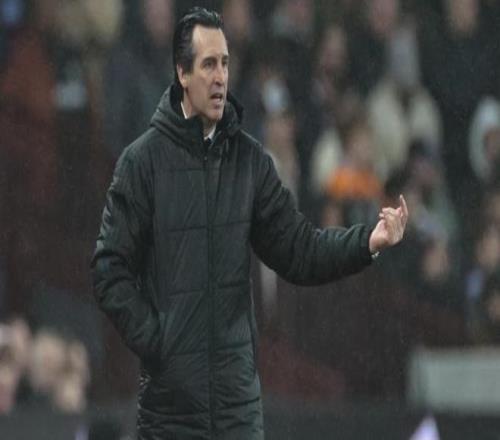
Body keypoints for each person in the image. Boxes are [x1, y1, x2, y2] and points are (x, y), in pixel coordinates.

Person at [91, 7, 409, 440]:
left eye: (225, 63)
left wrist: (366, 241)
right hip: (170, 411)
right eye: (208, 64)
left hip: (236, 410)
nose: (220, 77)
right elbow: (109, 270)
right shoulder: (141, 163)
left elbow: (299, 250)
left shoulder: (250, 162)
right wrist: (158, 341)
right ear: (182, 73)